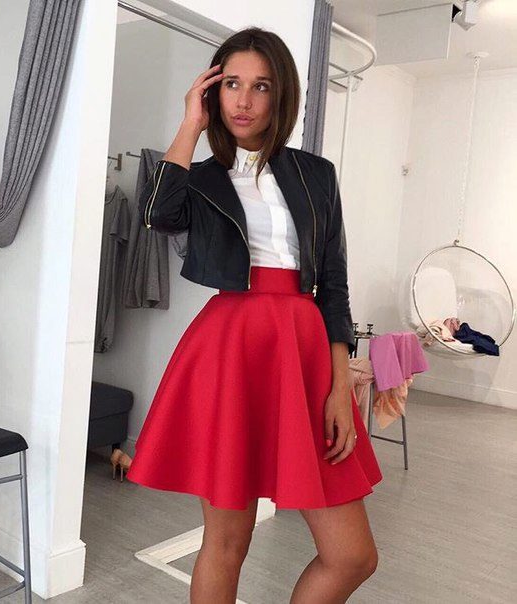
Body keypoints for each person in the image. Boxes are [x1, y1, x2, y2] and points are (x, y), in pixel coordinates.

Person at [125, 26, 383, 603]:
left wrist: (340, 385)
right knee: (226, 543)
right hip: (231, 346)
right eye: (231, 84)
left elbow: (334, 285)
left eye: (260, 86)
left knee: (352, 556)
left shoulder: (316, 175)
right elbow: (158, 215)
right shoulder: (202, 178)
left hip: (305, 346)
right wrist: (190, 124)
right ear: (212, 92)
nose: (243, 100)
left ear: (280, 94)